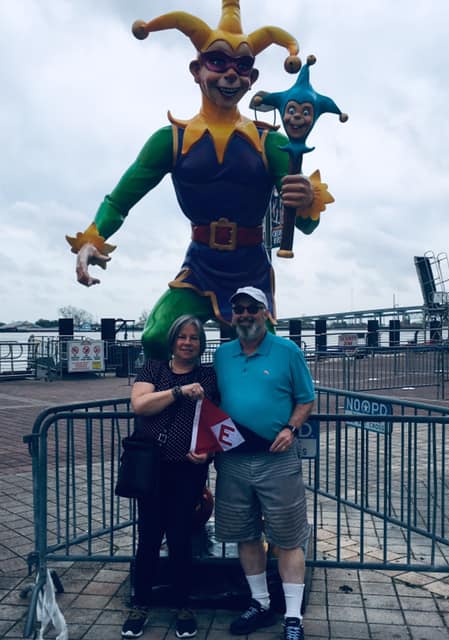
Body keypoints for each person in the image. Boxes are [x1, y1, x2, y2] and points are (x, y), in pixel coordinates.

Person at [66, 0, 336, 361]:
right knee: (157, 336)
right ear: (197, 69)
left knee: (263, 357)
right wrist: (93, 238)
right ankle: (174, 410)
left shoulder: (269, 142)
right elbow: (119, 200)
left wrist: (305, 200)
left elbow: (303, 225)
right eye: (218, 62)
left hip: (250, 269)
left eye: (242, 66)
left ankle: (260, 415)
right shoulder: (171, 141)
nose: (230, 74)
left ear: (252, 78)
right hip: (200, 266)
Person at [213, 286, 315, 640]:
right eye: (238, 308)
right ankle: (259, 603)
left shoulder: (287, 351)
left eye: (251, 308)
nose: (244, 314)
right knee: (245, 535)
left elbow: (306, 399)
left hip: (277, 460)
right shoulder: (222, 355)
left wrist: (291, 428)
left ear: (266, 312)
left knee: (287, 538)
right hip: (233, 462)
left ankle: (292, 617)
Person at [121, 315, 219, 639]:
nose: (188, 342)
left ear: (201, 344)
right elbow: (140, 405)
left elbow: (216, 423)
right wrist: (178, 392)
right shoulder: (154, 368)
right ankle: (140, 604)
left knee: (180, 538)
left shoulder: (208, 375)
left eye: (194, 337)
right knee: (148, 537)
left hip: (188, 470)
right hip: (151, 468)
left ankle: (183, 605)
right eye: (182, 337)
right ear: (172, 341)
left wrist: (209, 452)